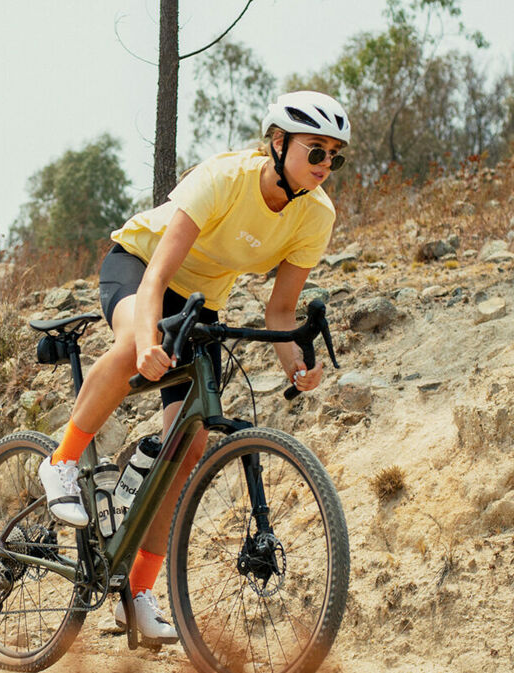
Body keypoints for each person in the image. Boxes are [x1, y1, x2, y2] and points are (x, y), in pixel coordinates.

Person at [36, 91, 351, 642]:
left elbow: (279, 311)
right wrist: (149, 341)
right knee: (136, 342)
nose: (326, 166)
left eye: (335, 157)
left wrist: (296, 366)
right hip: (140, 267)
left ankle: (136, 594)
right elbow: (157, 275)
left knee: (190, 448)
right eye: (316, 151)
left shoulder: (316, 215)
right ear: (277, 143)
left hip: (200, 306)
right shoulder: (225, 179)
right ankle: (60, 462)